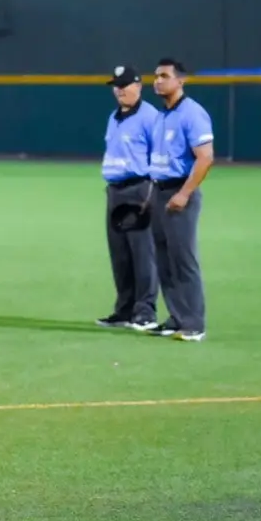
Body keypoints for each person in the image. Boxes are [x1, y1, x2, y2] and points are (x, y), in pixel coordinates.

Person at [147, 58, 214, 342]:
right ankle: (176, 317)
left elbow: (206, 157)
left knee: (184, 259)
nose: (157, 81)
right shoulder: (162, 116)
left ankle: (194, 324)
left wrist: (184, 193)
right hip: (160, 192)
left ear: (180, 81)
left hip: (180, 193)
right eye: (156, 76)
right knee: (165, 260)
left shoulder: (192, 113)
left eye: (164, 76)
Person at [95, 65, 160, 331]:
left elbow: (158, 156)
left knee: (142, 254)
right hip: (115, 190)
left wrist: (152, 194)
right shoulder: (114, 117)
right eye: (116, 85)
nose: (119, 89)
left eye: (125, 84)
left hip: (138, 190)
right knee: (120, 255)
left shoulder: (150, 117)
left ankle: (145, 312)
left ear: (138, 86)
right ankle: (124, 311)